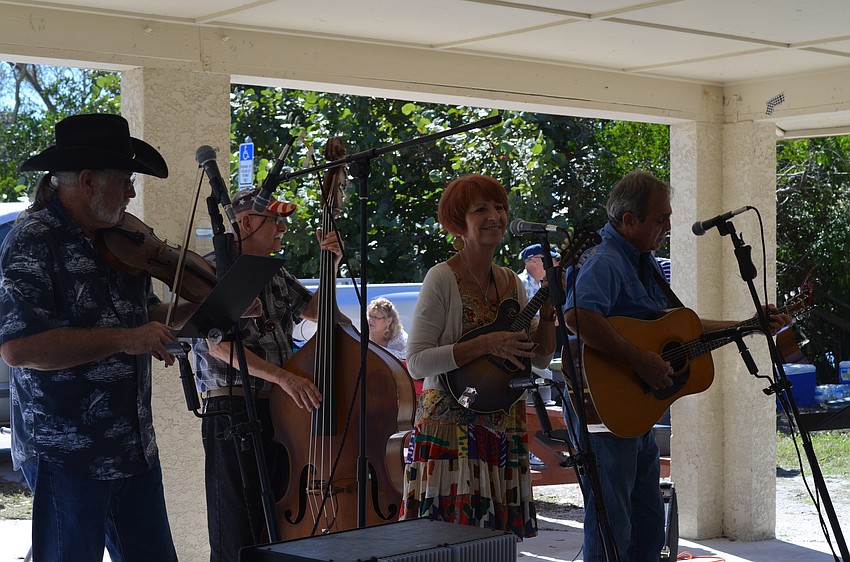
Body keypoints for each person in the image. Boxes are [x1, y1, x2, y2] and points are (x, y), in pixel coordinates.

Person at [563, 170, 792, 562]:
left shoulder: (642, 261)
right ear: (628, 220)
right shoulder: (605, 260)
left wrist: (747, 326)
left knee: (649, 528)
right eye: (660, 219)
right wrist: (640, 360)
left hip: (635, 412)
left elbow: (678, 325)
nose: (668, 227)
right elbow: (578, 316)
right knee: (612, 529)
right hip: (604, 411)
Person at [0, 114, 181, 561]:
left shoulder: (118, 239)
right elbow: (20, 348)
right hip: (67, 453)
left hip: (133, 447)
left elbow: (145, 315)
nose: (132, 192)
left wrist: (206, 308)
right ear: (86, 181)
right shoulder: (31, 240)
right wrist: (126, 339)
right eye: (125, 180)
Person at [400, 173, 556, 539]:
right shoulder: (442, 278)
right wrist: (486, 344)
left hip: (504, 427)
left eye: (500, 207)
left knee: (494, 546)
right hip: (450, 427)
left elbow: (540, 359)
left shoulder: (512, 282)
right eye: (480, 209)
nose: (495, 216)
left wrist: (549, 312)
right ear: (459, 223)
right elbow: (417, 361)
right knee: (448, 541)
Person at [192, 187, 342, 562]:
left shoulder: (276, 274)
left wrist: (331, 266)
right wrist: (285, 378)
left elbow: (322, 315)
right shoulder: (211, 270)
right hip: (232, 409)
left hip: (274, 411)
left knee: (271, 519)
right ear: (245, 223)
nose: (283, 229)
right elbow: (218, 346)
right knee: (236, 527)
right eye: (275, 220)